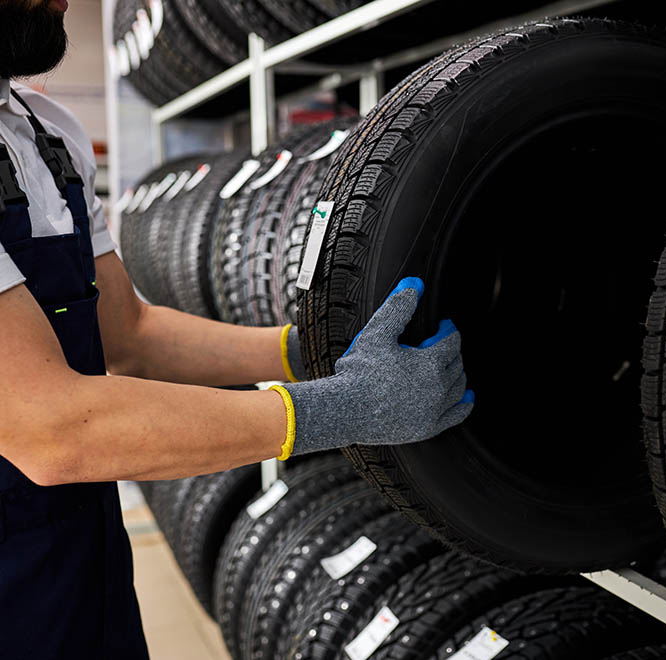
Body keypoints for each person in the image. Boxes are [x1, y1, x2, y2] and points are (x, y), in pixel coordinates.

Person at [0, 0, 473, 657]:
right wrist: (343, 408)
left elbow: (128, 334)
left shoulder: (45, 133)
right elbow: (47, 426)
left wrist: (312, 351)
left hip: (81, 558)